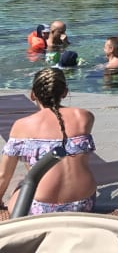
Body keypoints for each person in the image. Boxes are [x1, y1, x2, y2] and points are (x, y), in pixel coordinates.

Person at [0, 67, 97, 214]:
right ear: (64, 92)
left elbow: (4, 175)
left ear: (32, 94)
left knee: (21, 183)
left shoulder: (22, 125)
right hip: (84, 203)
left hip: (40, 207)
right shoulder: (84, 117)